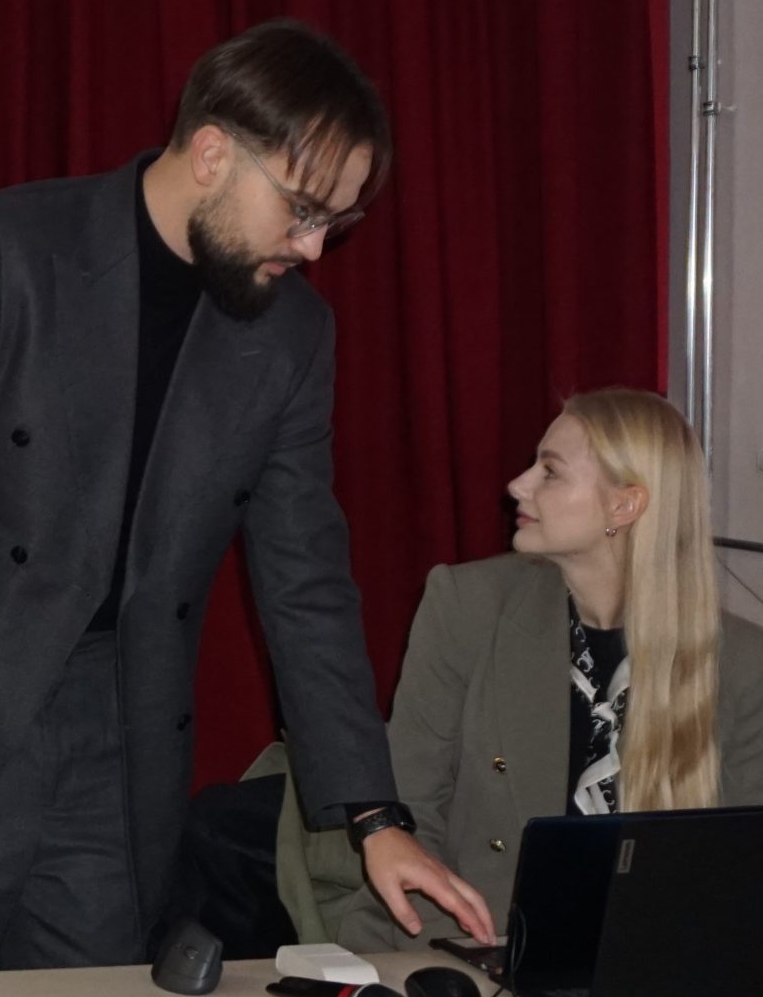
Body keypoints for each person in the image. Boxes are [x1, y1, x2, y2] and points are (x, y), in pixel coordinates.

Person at [0, 18, 493, 975]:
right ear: (212, 153)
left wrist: (375, 816)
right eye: (302, 210)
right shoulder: (7, 247)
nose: (316, 247)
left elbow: (306, 582)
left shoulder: (291, 336)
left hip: (119, 736)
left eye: (338, 222)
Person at [285, 390, 763, 950]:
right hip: (456, 944)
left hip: (646, 961)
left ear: (624, 506)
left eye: (550, 472)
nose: (517, 485)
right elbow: (410, 812)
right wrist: (478, 963)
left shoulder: (741, 661)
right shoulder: (468, 606)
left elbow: (738, 869)